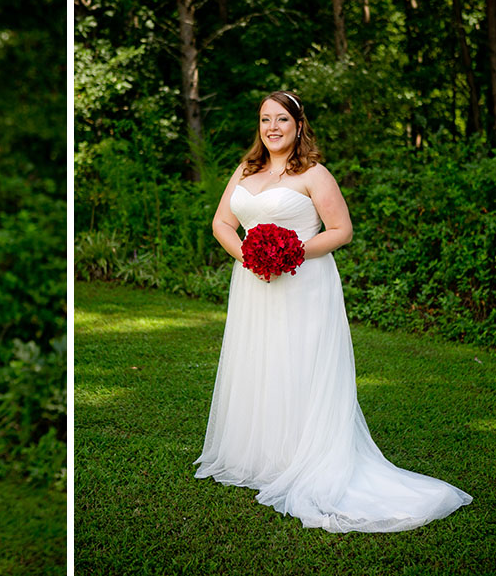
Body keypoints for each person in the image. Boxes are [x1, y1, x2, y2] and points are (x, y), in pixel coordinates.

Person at [193, 91, 471, 533]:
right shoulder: (246, 169)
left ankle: (305, 457)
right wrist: (249, 257)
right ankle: (265, 455)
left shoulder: (314, 174)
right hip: (253, 283)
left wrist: (290, 252)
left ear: (299, 125)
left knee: (299, 366)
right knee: (260, 364)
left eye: (281, 119)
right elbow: (222, 223)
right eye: (265, 120)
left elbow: (341, 231)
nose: (272, 128)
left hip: (303, 282)